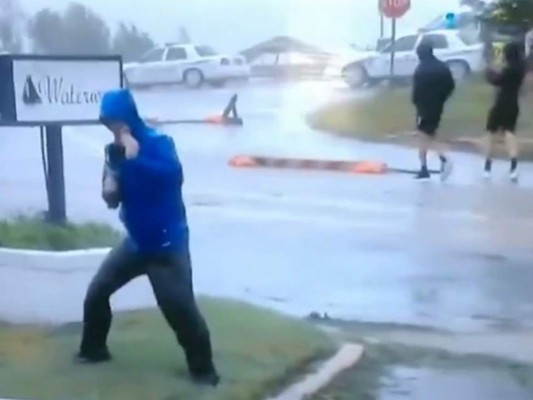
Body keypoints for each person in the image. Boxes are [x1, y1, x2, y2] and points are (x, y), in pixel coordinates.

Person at [76, 88, 220, 387]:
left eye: (117, 121)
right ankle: (93, 351)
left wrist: (134, 157)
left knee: (179, 310)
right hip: (136, 243)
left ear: (129, 118)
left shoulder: (159, 143)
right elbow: (112, 197)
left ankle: (204, 372)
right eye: (108, 124)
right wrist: (110, 189)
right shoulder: (112, 152)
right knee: (97, 292)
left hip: (167, 246)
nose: (113, 129)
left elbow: (172, 176)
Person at [412, 40, 456, 181]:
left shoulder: (420, 70)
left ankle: (442, 159)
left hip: (424, 108)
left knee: (424, 137)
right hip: (438, 106)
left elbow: (416, 93)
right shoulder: (442, 67)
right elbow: (450, 85)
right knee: (430, 134)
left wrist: (417, 104)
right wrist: (442, 98)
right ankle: (424, 168)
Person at [484, 41, 527, 181]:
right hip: (513, 104)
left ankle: (487, 167)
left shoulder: (508, 70)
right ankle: (513, 168)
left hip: (501, 103)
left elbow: (496, 80)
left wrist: (489, 70)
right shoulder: (520, 68)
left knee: (492, 133)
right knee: (510, 133)